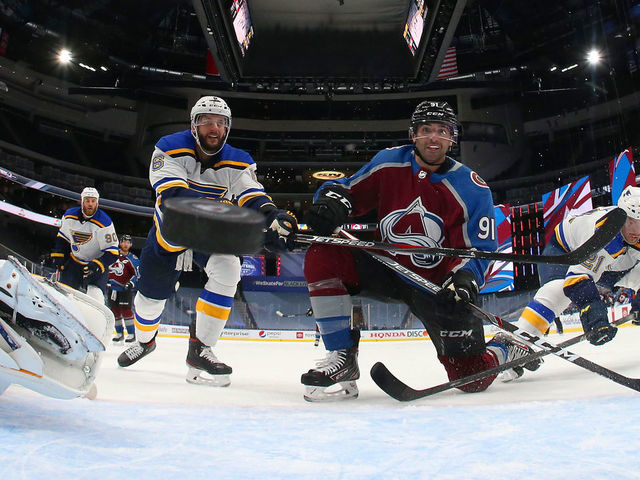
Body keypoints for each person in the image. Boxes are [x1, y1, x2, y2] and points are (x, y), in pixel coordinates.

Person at [300, 100, 541, 401]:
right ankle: (342, 359)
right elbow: (346, 190)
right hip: (386, 268)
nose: (434, 137)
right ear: (413, 134)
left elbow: (479, 250)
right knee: (323, 253)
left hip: (437, 288)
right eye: (426, 130)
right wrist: (331, 203)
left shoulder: (472, 188)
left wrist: (464, 279)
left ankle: (506, 347)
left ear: (453, 138)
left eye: (443, 131)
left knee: (471, 379)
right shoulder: (389, 162)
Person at [117, 95, 297, 387]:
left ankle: (200, 349)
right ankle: (145, 341)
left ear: (227, 128)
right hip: (170, 235)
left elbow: (252, 195)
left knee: (229, 270)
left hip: (208, 234)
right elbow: (174, 197)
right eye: (206, 122)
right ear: (193, 125)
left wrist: (272, 216)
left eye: (220, 123)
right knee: (149, 302)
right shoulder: (169, 147)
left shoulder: (239, 159)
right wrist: (235, 216)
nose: (214, 129)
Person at [515, 186, 640, 349]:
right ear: (622, 216)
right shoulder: (605, 233)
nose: (636, 231)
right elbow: (578, 279)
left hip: (612, 264)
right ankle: (517, 344)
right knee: (556, 291)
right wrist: (593, 314)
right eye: (631, 222)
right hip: (565, 252)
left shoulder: (628, 234)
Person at [50, 187, 119, 304]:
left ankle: (94, 321)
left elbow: (113, 252)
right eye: (87, 201)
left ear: (97, 202)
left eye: (93, 201)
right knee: (63, 297)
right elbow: (62, 238)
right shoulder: (69, 216)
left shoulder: (105, 222)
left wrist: (98, 265)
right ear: (82, 201)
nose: (90, 204)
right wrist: (59, 254)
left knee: (95, 299)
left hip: (95, 267)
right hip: (74, 264)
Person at [107, 234, 140, 344]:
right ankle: (119, 333)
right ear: (119, 243)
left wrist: (131, 283)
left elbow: (138, 274)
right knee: (115, 311)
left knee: (126, 311)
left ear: (130, 244)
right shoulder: (112, 254)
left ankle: (131, 334)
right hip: (112, 288)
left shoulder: (133, 259)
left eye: (128, 242)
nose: (125, 244)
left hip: (125, 289)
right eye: (123, 242)